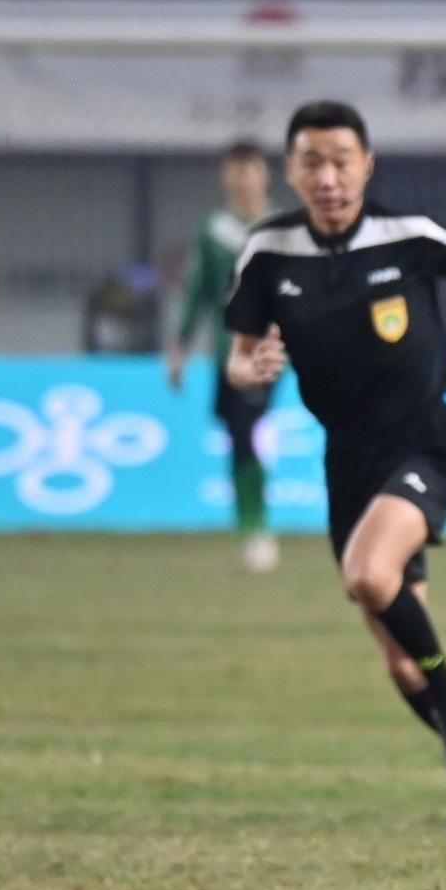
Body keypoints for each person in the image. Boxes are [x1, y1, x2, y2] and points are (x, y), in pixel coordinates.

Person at [223, 102, 446, 835]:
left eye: (341, 161)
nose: (328, 177)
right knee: (401, 663)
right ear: (292, 171)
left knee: (369, 574)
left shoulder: (409, 234)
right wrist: (251, 366)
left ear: (366, 166)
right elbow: (239, 357)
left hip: (425, 441)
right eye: (312, 163)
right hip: (348, 461)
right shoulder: (267, 250)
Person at [169, 139, 280, 572]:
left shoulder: (283, 228)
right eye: (234, 170)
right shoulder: (214, 229)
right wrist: (180, 347)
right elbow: (198, 291)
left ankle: (258, 528)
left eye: (249, 169)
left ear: (263, 174)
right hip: (225, 352)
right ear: (225, 177)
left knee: (247, 429)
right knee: (235, 434)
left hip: (268, 351)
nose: (242, 178)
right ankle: (246, 526)